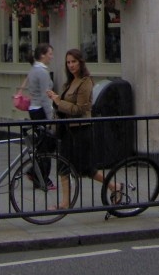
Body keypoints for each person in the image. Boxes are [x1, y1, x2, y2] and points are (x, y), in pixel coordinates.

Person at [46, 48, 121, 207]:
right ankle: (65, 203)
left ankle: (115, 186)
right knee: (63, 166)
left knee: (86, 169)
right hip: (67, 129)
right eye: (68, 62)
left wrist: (58, 101)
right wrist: (56, 100)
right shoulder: (70, 81)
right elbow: (66, 106)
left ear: (81, 62)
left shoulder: (85, 82)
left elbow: (79, 109)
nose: (71, 65)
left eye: (74, 61)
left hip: (81, 129)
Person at [24, 43, 55, 190]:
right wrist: (50, 118)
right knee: (46, 146)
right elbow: (45, 96)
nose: (51, 56)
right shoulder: (42, 72)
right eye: (50, 53)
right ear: (42, 55)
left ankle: (34, 172)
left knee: (42, 144)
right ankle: (42, 177)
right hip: (41, 110)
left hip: (34, 109)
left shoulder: (33, 70)